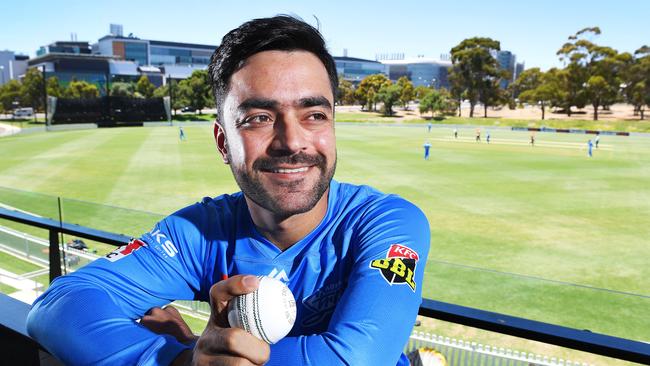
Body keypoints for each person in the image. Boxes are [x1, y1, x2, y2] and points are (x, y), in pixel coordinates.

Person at [27, 16, 430, 366]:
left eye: (314, 115)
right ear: (223, 142)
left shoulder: (387, 222)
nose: (292, 141)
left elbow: (355, 359)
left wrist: (194, 350)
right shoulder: (200, 232)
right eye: (259, 117)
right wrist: (177, 360)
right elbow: (59, 305)